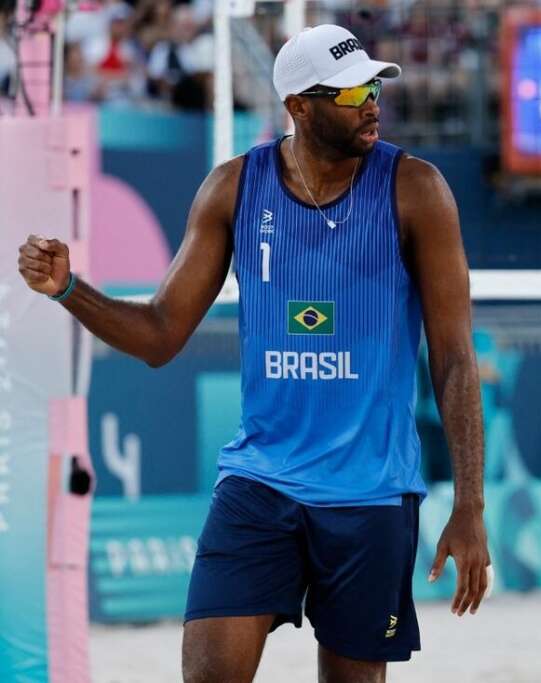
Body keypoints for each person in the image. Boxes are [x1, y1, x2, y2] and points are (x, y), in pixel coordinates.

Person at [17, 24, 490, 683]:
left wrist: (470, 504)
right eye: (353, 90)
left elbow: (455, 359)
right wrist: (68, 288)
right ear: (299, 106)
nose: (372, 101)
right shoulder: (235, 188)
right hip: (260, 481)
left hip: (369, 490)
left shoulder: (417, 189)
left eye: (375, 85)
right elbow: (159, 335)